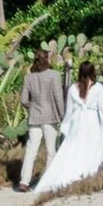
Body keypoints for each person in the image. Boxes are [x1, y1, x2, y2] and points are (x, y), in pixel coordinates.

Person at [32, 61, 103, 195]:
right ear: (93, 72)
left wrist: (66, 127)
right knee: (90, 149)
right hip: (91, 121)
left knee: (74, 149)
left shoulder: (72, 88)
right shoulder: (98, 87)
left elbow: (69, 111)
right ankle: (86, 176)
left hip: (77, 123)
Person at [17, 49, 64, 193]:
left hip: (34, 117)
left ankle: (24, 181)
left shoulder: (29, 77)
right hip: (50, 117)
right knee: (51, 151)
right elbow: (58, 97)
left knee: (31, 150)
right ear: (47, 59)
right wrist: (62, 114)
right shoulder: (54, 75)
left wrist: (32, 107)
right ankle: (46, 181)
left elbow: (24, 100)